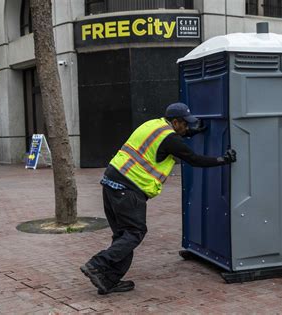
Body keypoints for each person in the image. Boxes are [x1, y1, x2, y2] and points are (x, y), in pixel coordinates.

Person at [81, 102, 237, 295]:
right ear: (175, 121)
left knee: (124, 236)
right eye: (185, 124)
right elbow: (194, 159)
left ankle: (108, 280)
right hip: (128, 188)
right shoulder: (170, 139)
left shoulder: (153, 125)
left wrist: (191, 132)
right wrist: (224, 160)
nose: (187, 127)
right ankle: (97, 264)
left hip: (111, 183)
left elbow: (168, 142)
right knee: (134, 232)